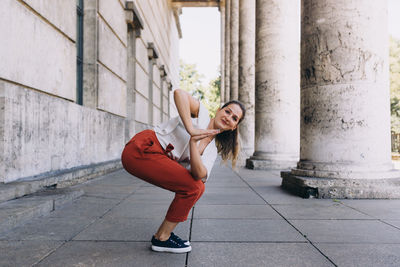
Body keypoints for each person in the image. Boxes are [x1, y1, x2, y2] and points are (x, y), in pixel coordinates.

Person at [121, 89, 246, 253]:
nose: (228, 117)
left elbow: (199, 174)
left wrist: (194, 143)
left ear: (234, 127)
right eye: (227, 111)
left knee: (196, 187)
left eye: (234, 118)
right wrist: (191, 129)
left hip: (158, 157)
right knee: (195, 188)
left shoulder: (211, 150)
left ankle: (162, 235)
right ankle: (162, 238)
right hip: (143, 147)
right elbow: (179, 93)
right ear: (218, 111)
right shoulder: (201, 114)